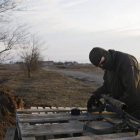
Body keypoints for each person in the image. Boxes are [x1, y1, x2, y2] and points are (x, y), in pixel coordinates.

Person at [87, 47, 140, 119]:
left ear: (106, 54)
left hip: (136, 109)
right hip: (123, 109)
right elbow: (107, 86)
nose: (102, 66)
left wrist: (113, 106)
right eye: (99, 66)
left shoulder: (127, 62)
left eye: (102, 62)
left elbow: (132, 93)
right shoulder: (109, 66)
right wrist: (95, 96)